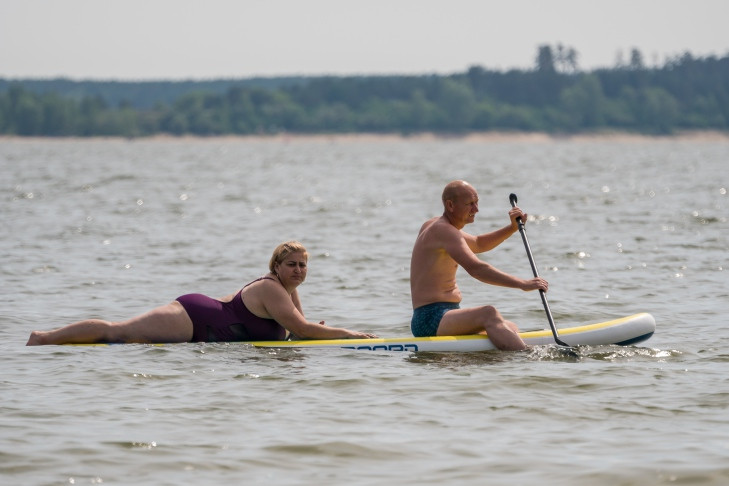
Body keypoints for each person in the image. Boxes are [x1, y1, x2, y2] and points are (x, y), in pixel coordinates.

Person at [27, 241, 377, 345]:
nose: (298, 270)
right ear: (277, 267)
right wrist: (350, 335)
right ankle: (43, 339)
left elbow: (297, 327)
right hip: (194, 318)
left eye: (303, 265)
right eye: (292, 265)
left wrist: (311, 332)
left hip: (205, 326)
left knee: (123, 341)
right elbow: (302, 329)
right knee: (117, 333)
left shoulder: (287, 291)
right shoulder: (272, 289)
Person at [409, 180, 549, 351]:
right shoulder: (443, 230)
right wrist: (522, 283)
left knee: (510, 327)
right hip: (430, 319)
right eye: (469, 204)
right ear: (450, 205)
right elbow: (476, 269)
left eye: (477, 202)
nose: (476, 209)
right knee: (488, 313)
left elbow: (478, 243)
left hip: (446, 314)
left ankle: (503, 357)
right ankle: (528, 357)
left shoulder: (440, 226)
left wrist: (511, 228)